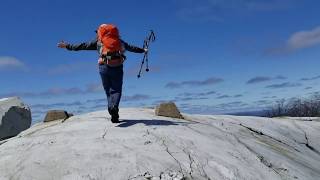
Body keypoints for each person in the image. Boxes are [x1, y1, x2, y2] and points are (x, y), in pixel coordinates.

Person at [58, 24, 147, 123]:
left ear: (101, 33)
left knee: (108, 90)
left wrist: (67, 46)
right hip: (117, 67)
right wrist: (143, 50)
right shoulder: (119, 42)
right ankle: (114, 107)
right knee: (116, 90)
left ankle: (111, 108)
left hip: (103, 67)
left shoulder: (98, 42)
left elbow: (82, 46)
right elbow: (131, 48)